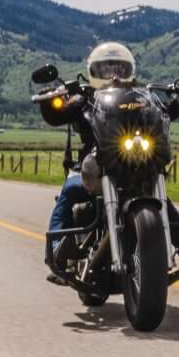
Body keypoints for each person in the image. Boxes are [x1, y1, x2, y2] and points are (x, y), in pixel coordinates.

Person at [47, 41, 135, 275]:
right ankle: (57, 249)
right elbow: (56, 116)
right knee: (69, 191)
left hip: (130, 167)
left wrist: (178, 101)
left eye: (119, 69)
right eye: (106, 69)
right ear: (94, 72)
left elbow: (164, 112)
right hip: (92, 167)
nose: (113, 75)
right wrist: (52, 101)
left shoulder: (138, 99)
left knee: (159, 197)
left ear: (129, 72)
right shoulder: (83, 98)